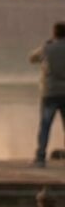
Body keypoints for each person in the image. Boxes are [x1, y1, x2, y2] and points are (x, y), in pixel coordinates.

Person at [29, 22, 65, 166]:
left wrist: (47, 43)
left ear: (54, 33)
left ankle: (40, 157)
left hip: (49, 93)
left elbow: (31, 58)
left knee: (45, 126)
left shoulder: (47, 48)